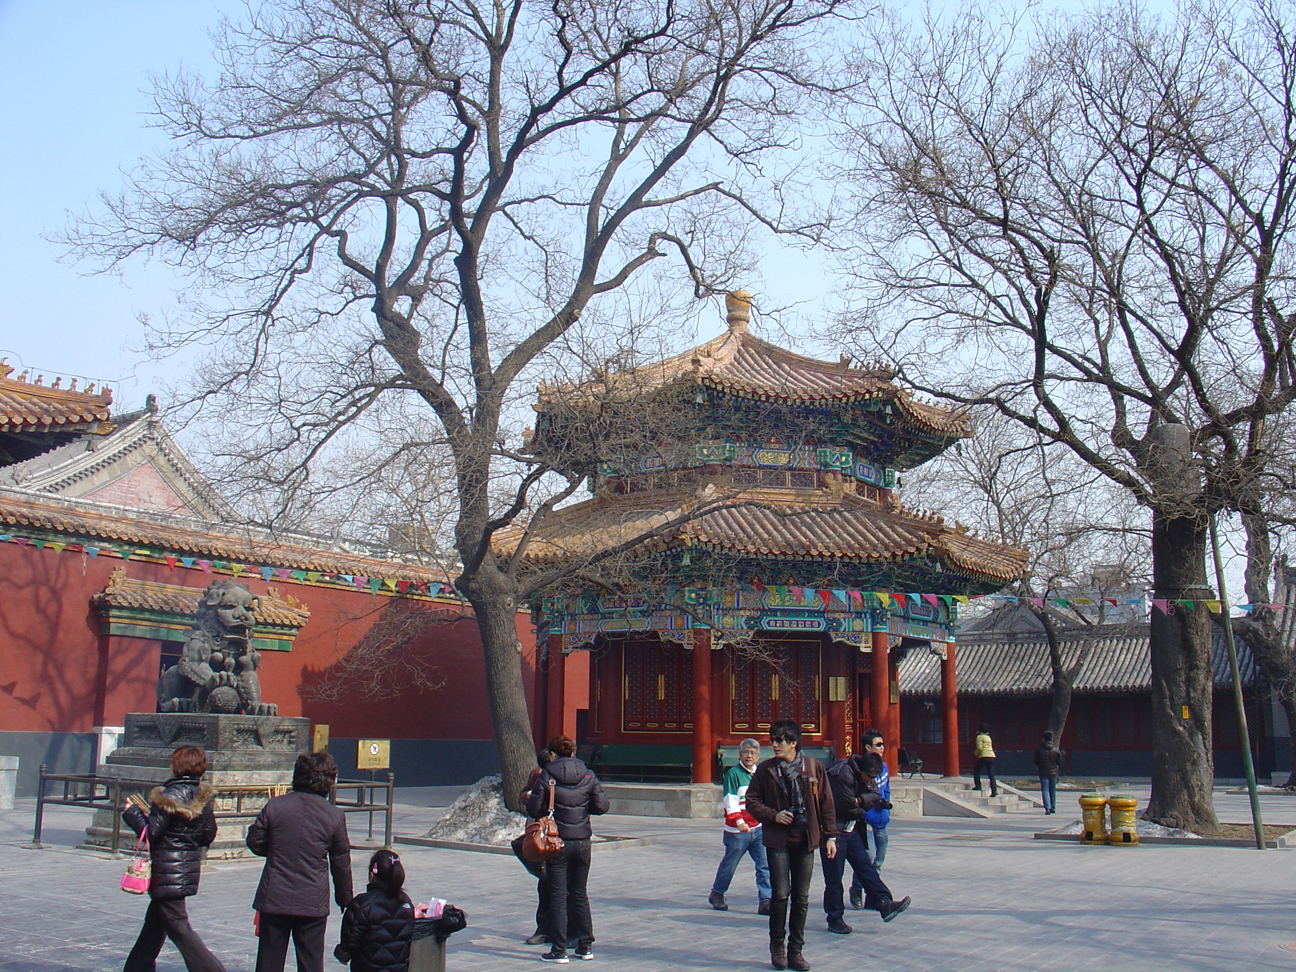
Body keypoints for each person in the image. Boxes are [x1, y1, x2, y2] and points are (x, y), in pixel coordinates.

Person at [121, 744, 226, 972]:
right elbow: (208, 834)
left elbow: (152, 834)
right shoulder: (203, 797)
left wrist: (132, 814)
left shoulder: (167, 796)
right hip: (186, 869)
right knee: (154, 925)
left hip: (166, 870)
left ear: (176, 766)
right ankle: (137, 967)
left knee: (179, 926)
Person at [743, 720, 837, 972]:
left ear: (793, 743)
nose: (774, 745)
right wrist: (773, 815)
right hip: (778, 841)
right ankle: (777, 946)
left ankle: (796, 950)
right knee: (781, 894)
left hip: (806, 838)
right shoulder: (766, 770)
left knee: (802, 897)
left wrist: (830, 836)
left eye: (780, 740)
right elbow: (751, 801)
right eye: (772, 740)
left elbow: (826, 804)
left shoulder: (814, 768)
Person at [247, 751, 354, 972]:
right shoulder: (333, 816)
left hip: (275, 895)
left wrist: (277, 850)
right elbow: (341, 863)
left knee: (268, 961)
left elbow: (255, 841)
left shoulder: (276, 806)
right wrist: (345, 898)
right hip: (312, 900)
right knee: (311, 962)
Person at [526, 735, 609, 964]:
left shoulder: (548, 775)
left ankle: (559, 949)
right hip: (583, 841)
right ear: (573, 752)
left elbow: (533, 807)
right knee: (580, 893)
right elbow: (602, 806)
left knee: (558, 895)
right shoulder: (587, 774)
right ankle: (585, 945)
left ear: (553, 754)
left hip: (557, 841)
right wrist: (583, 809)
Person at [822, 751, 910, 935]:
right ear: (862, 769)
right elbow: (849, 807)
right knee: (834, 878)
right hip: (833, 832)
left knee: (865, 868)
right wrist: (863, 804)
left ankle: (884, 903)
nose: (870, 780)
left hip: (852, 830)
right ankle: (835, 918)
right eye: (869, 777)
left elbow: (875, 795)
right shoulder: (842, 774)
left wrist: (860, 800)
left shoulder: (867, 775)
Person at [709, 737, 772, 915]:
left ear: (758, 756)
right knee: (730, 864)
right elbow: (731, 801)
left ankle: (766, 899)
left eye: (753, 753)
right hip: (738, 831)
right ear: (740, 754)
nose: (749, 756)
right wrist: (739, 821)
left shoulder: (759, 774)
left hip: (758, 828)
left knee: (764, 864)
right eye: (746, 752)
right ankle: (717, 893)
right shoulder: (734, 774)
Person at [335, 849, 414, 971]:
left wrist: (343, 954)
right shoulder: (405, 902)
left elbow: (350, 942)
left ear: (372, 875)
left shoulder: (362, 904)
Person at [512, 749, 556, 946]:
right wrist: (531, 794)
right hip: (541, 835)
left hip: (556, 836)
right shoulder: (538, 776)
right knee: (546, 883)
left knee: (552, 884)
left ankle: (552, 929)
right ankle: (546, 928)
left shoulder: (562, 780)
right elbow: (524, 797)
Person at [848, 729, 889, 910]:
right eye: (878, 745)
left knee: (878, 860)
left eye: (882, 744)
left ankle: (872, 897)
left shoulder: (885, 767)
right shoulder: (859, 769)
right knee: (868, 858)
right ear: (867, 747)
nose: (882, 748)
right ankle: (857, 889)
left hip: (882, 820)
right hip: (867, 820)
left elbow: (886, 790)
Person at [1034, 731, 1062, 814]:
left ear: (1043, 739)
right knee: (1052, 790)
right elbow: (1059, 761)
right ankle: (1053, 807)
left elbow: (1036, 761)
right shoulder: (1055, 750)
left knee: (1045, 790)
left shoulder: (1039, 750)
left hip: (1043, 772)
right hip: (1053, 772)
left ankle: (1047, 807)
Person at [973, 723, 997, 798]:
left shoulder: (979, 737)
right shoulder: (988, 737)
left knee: (976, 770)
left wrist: (975, 753)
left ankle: (978, 786)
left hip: (984, 756)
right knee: (991, 775)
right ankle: (994, 790)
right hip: (991, 756)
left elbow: (979, 747)